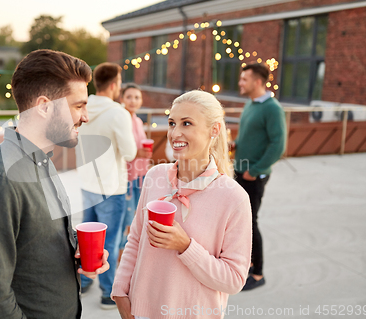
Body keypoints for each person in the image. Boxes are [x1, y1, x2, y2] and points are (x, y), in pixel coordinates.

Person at [0, 49, 109, 319]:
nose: (85, 116)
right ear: (43, 106)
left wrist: (76, 251)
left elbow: (35, 239)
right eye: (78, 106)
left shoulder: (42, 160)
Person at [112, 90, 252, 319]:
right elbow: (135, 238)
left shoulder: (234, 198)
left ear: (214, 130)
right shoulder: (154, 176)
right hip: (140, 312)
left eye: (187, 123)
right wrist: (119, 290)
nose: (175, 133)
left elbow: (234, 280)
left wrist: (185, 246)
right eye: (171, 123)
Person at [75, 62, 137, 309]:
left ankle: (84, 281)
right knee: (109, 240)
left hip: (86, 181)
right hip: (112, 186)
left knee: (86, 239)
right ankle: (107, 292)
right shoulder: (118, 113)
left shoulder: (82, 106)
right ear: (114, 85)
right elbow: (131, 153)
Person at [232, 62, 287, 291]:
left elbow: (278, 145)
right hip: (241, 169)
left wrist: (253, 171)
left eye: (244, 79)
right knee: (242, 222)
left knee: (251, 223)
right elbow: (251, 137)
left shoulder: (272, 108)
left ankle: (258, 274)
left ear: (257, 82)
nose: (240, 82)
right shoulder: (251, 104)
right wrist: (235, 145)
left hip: (253, 175)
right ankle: (249, 263)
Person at [118, 83, 152, 263]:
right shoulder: (122, 120)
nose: (133, 101)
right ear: (121, 99)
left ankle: (131, 252)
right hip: (128, 175)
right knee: (127, 217)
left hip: (141, 174)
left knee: (138, 214)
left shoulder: (138, 120)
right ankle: (123, 256)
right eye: (129, 97)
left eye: (137, 97)